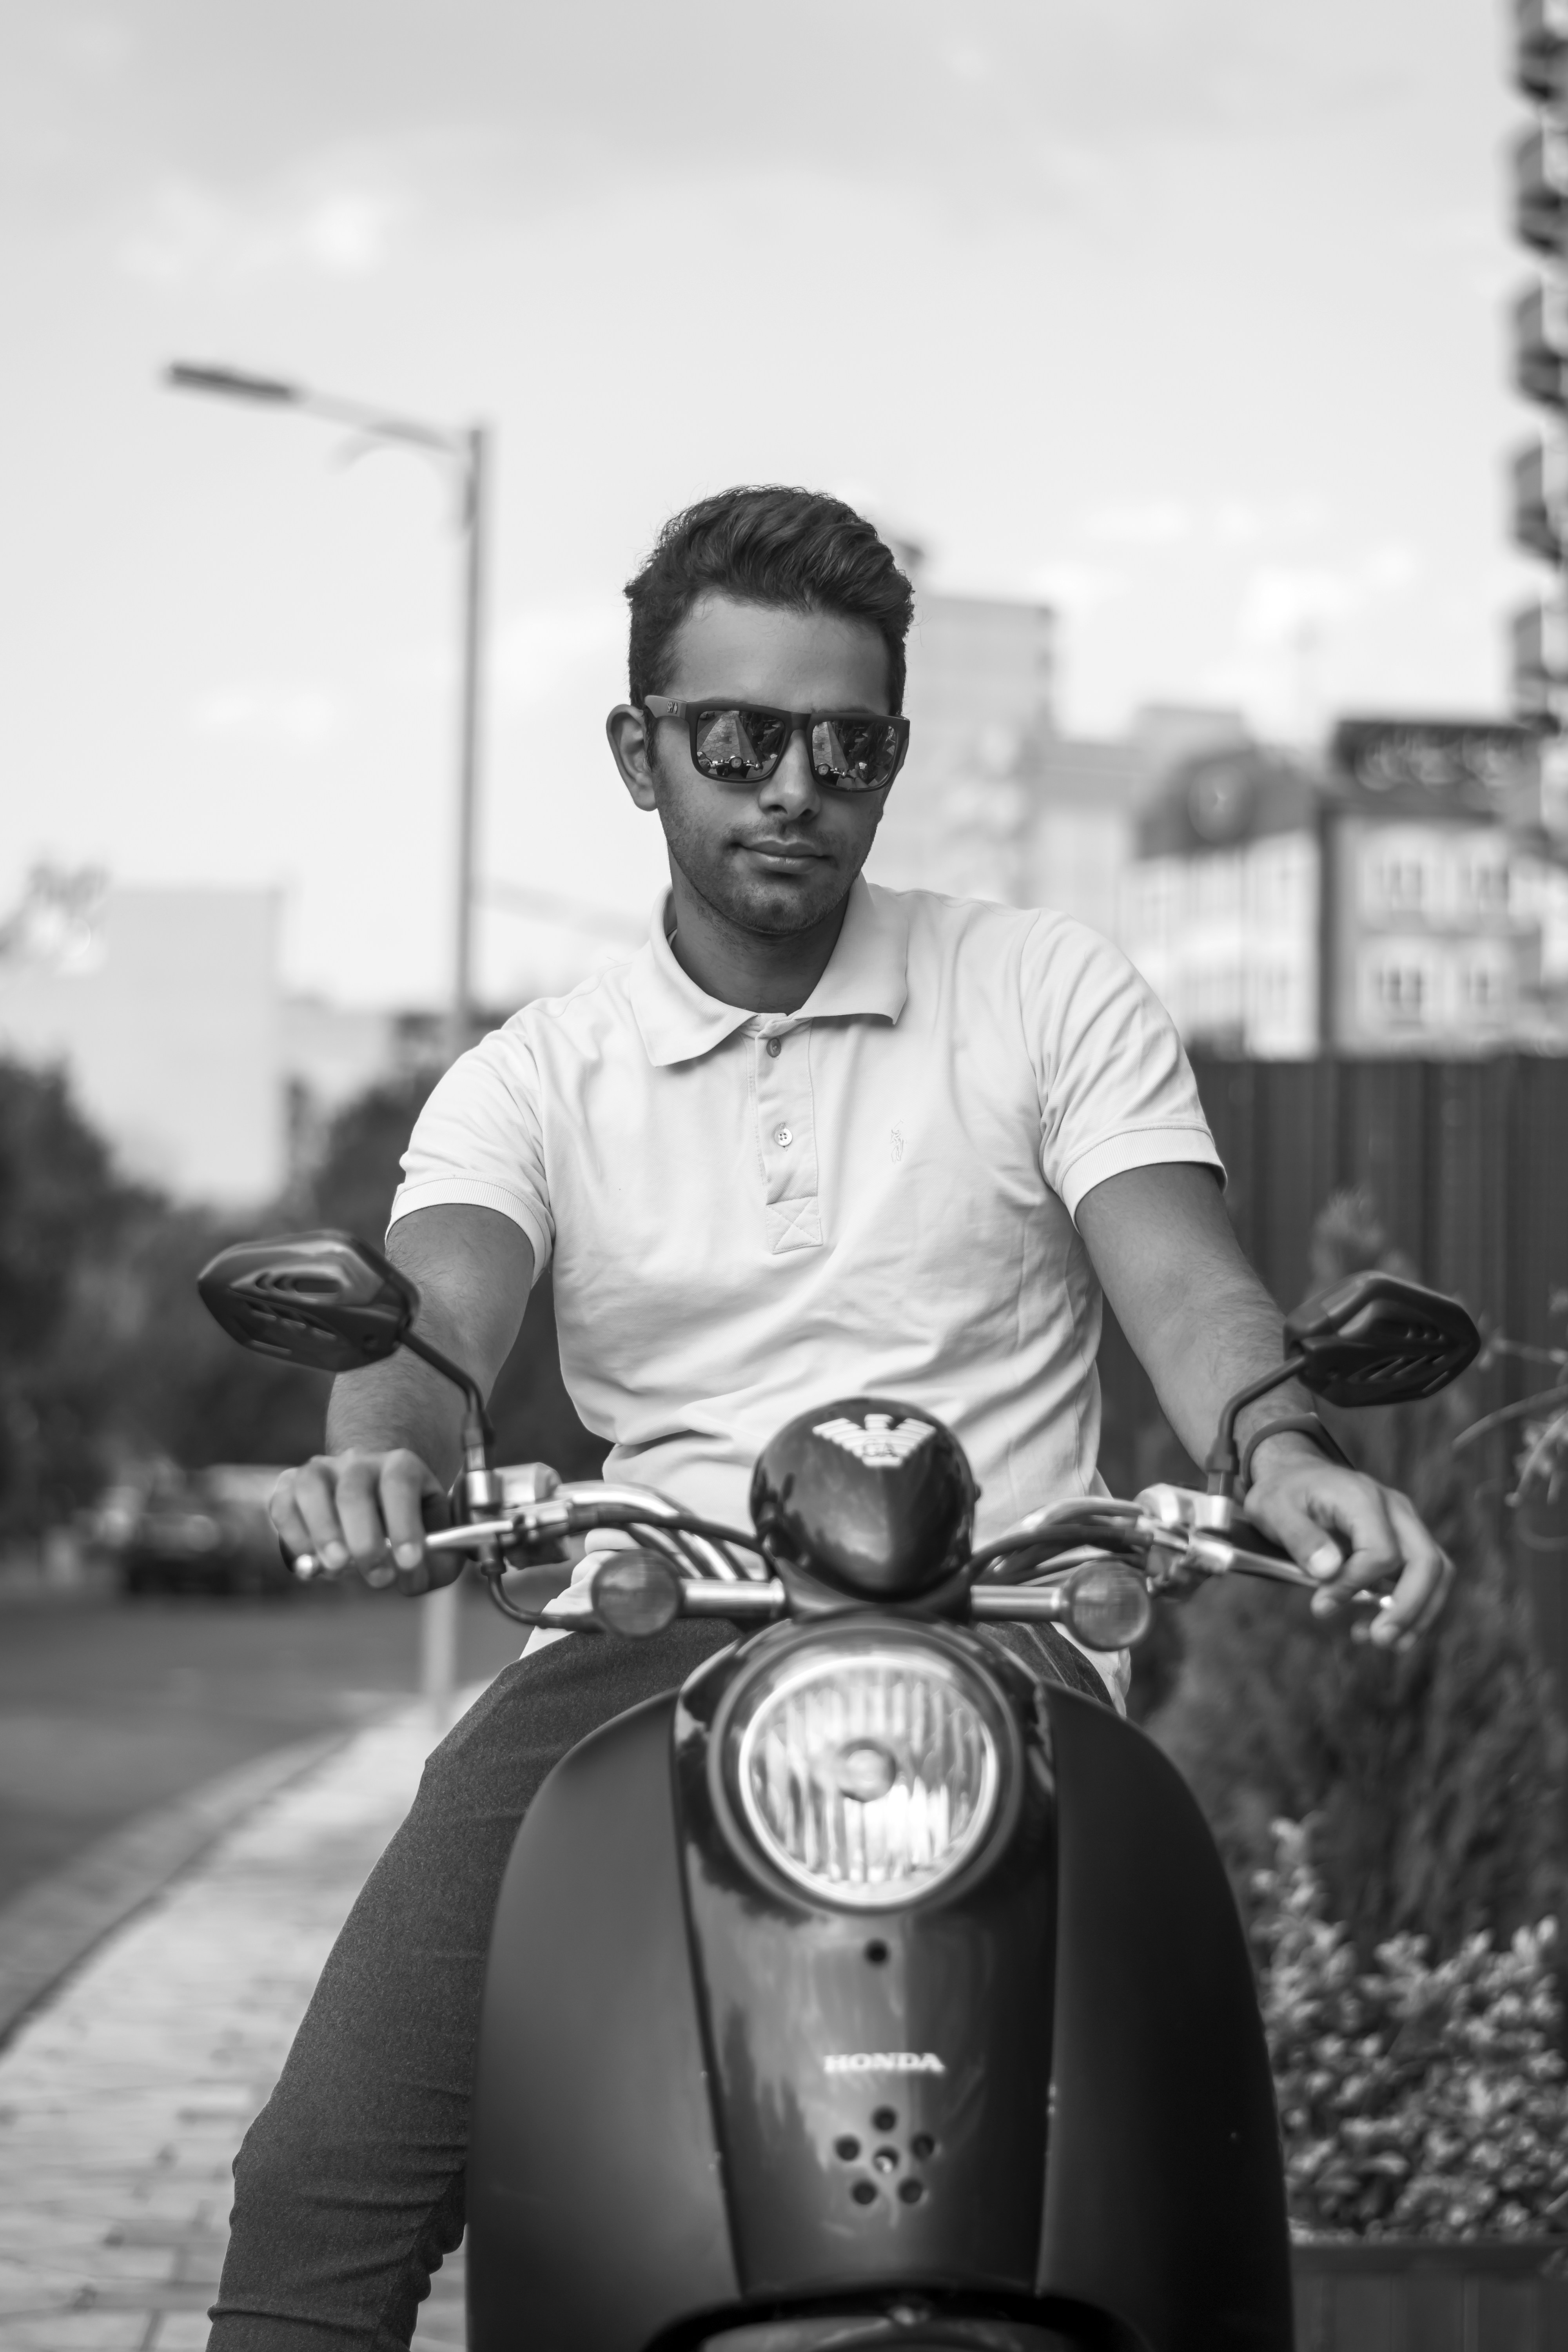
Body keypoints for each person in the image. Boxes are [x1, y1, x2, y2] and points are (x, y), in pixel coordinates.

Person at [209, 486, 1450, 2351]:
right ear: (641, 753)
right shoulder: (534, 1074)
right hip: (646, 1643)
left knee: (1157, 2177)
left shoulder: (1039, 989)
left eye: (845, 744)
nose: (794, 784)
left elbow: (1184, 1282)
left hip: (1004, 1649)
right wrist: (380, 1446)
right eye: (739, 737)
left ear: (892, 760)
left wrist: (1277, 1450)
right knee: (319, 2190)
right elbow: (434, 1315)